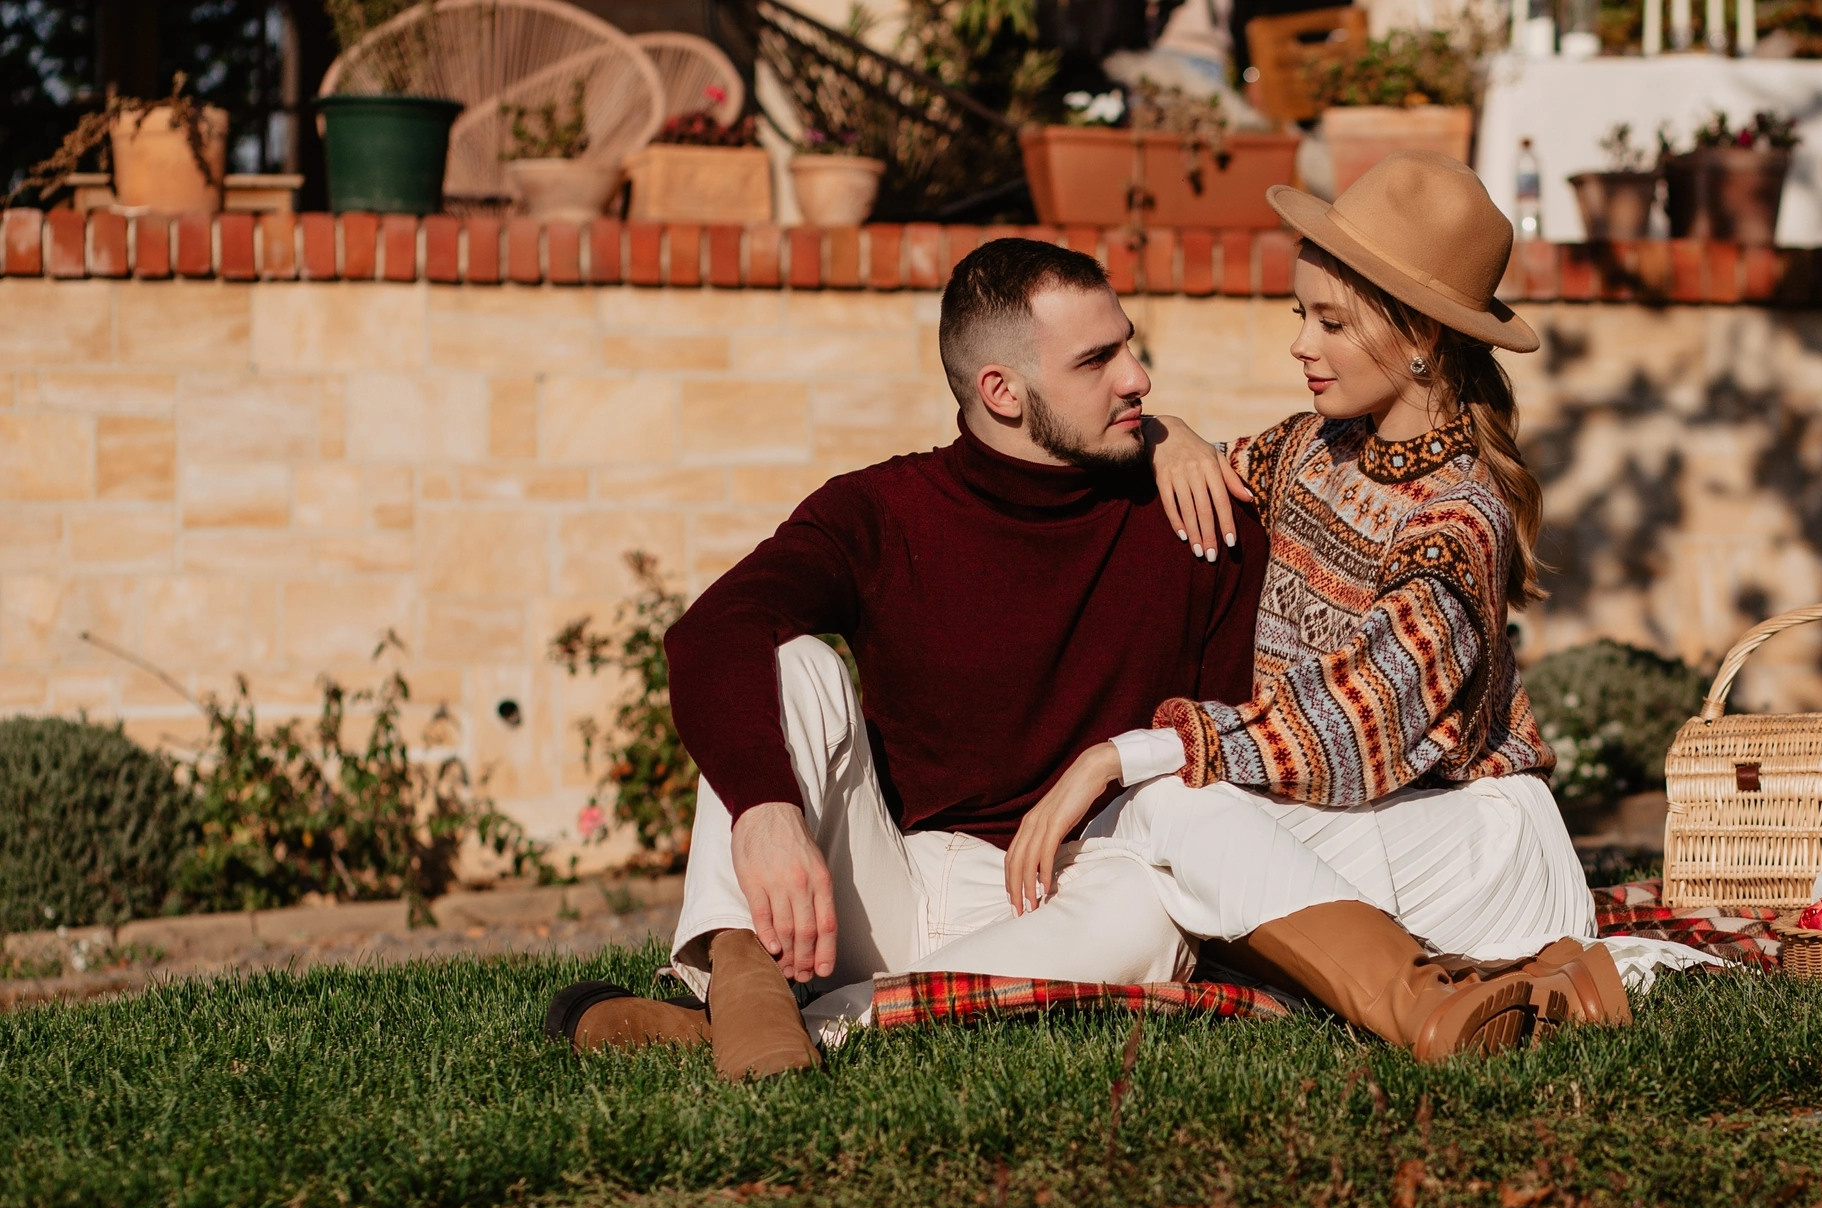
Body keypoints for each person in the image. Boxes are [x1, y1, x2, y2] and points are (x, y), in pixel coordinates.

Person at [548, 234, 1604, 1078]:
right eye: (1099, 361)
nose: (1139, 375)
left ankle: (801, 1028)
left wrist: (1167, 443)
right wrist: (771, 807)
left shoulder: (1193, 516)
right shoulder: (883, 510)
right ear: (1003, 390)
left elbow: (1335, 698)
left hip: (1077, 894)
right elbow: (712, 629)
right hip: (890, 878)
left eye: (1131, 345)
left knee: (1157, 892)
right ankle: (741, 968)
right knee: (787, 667)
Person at [996, 151, 1624, 1061]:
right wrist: (1172, 437)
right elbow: (1212, 461)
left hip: (1473, 842)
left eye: (1330, 320)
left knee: (1165, 809)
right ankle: (869, 1006)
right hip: (1364, 826)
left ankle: (1436, 1001)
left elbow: (1357, 719)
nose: (1301, 342)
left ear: (1420, 337)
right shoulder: (1313, 451)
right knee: (1138, 852)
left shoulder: (1461, 518)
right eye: (1302, 315)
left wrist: (1126, 750)